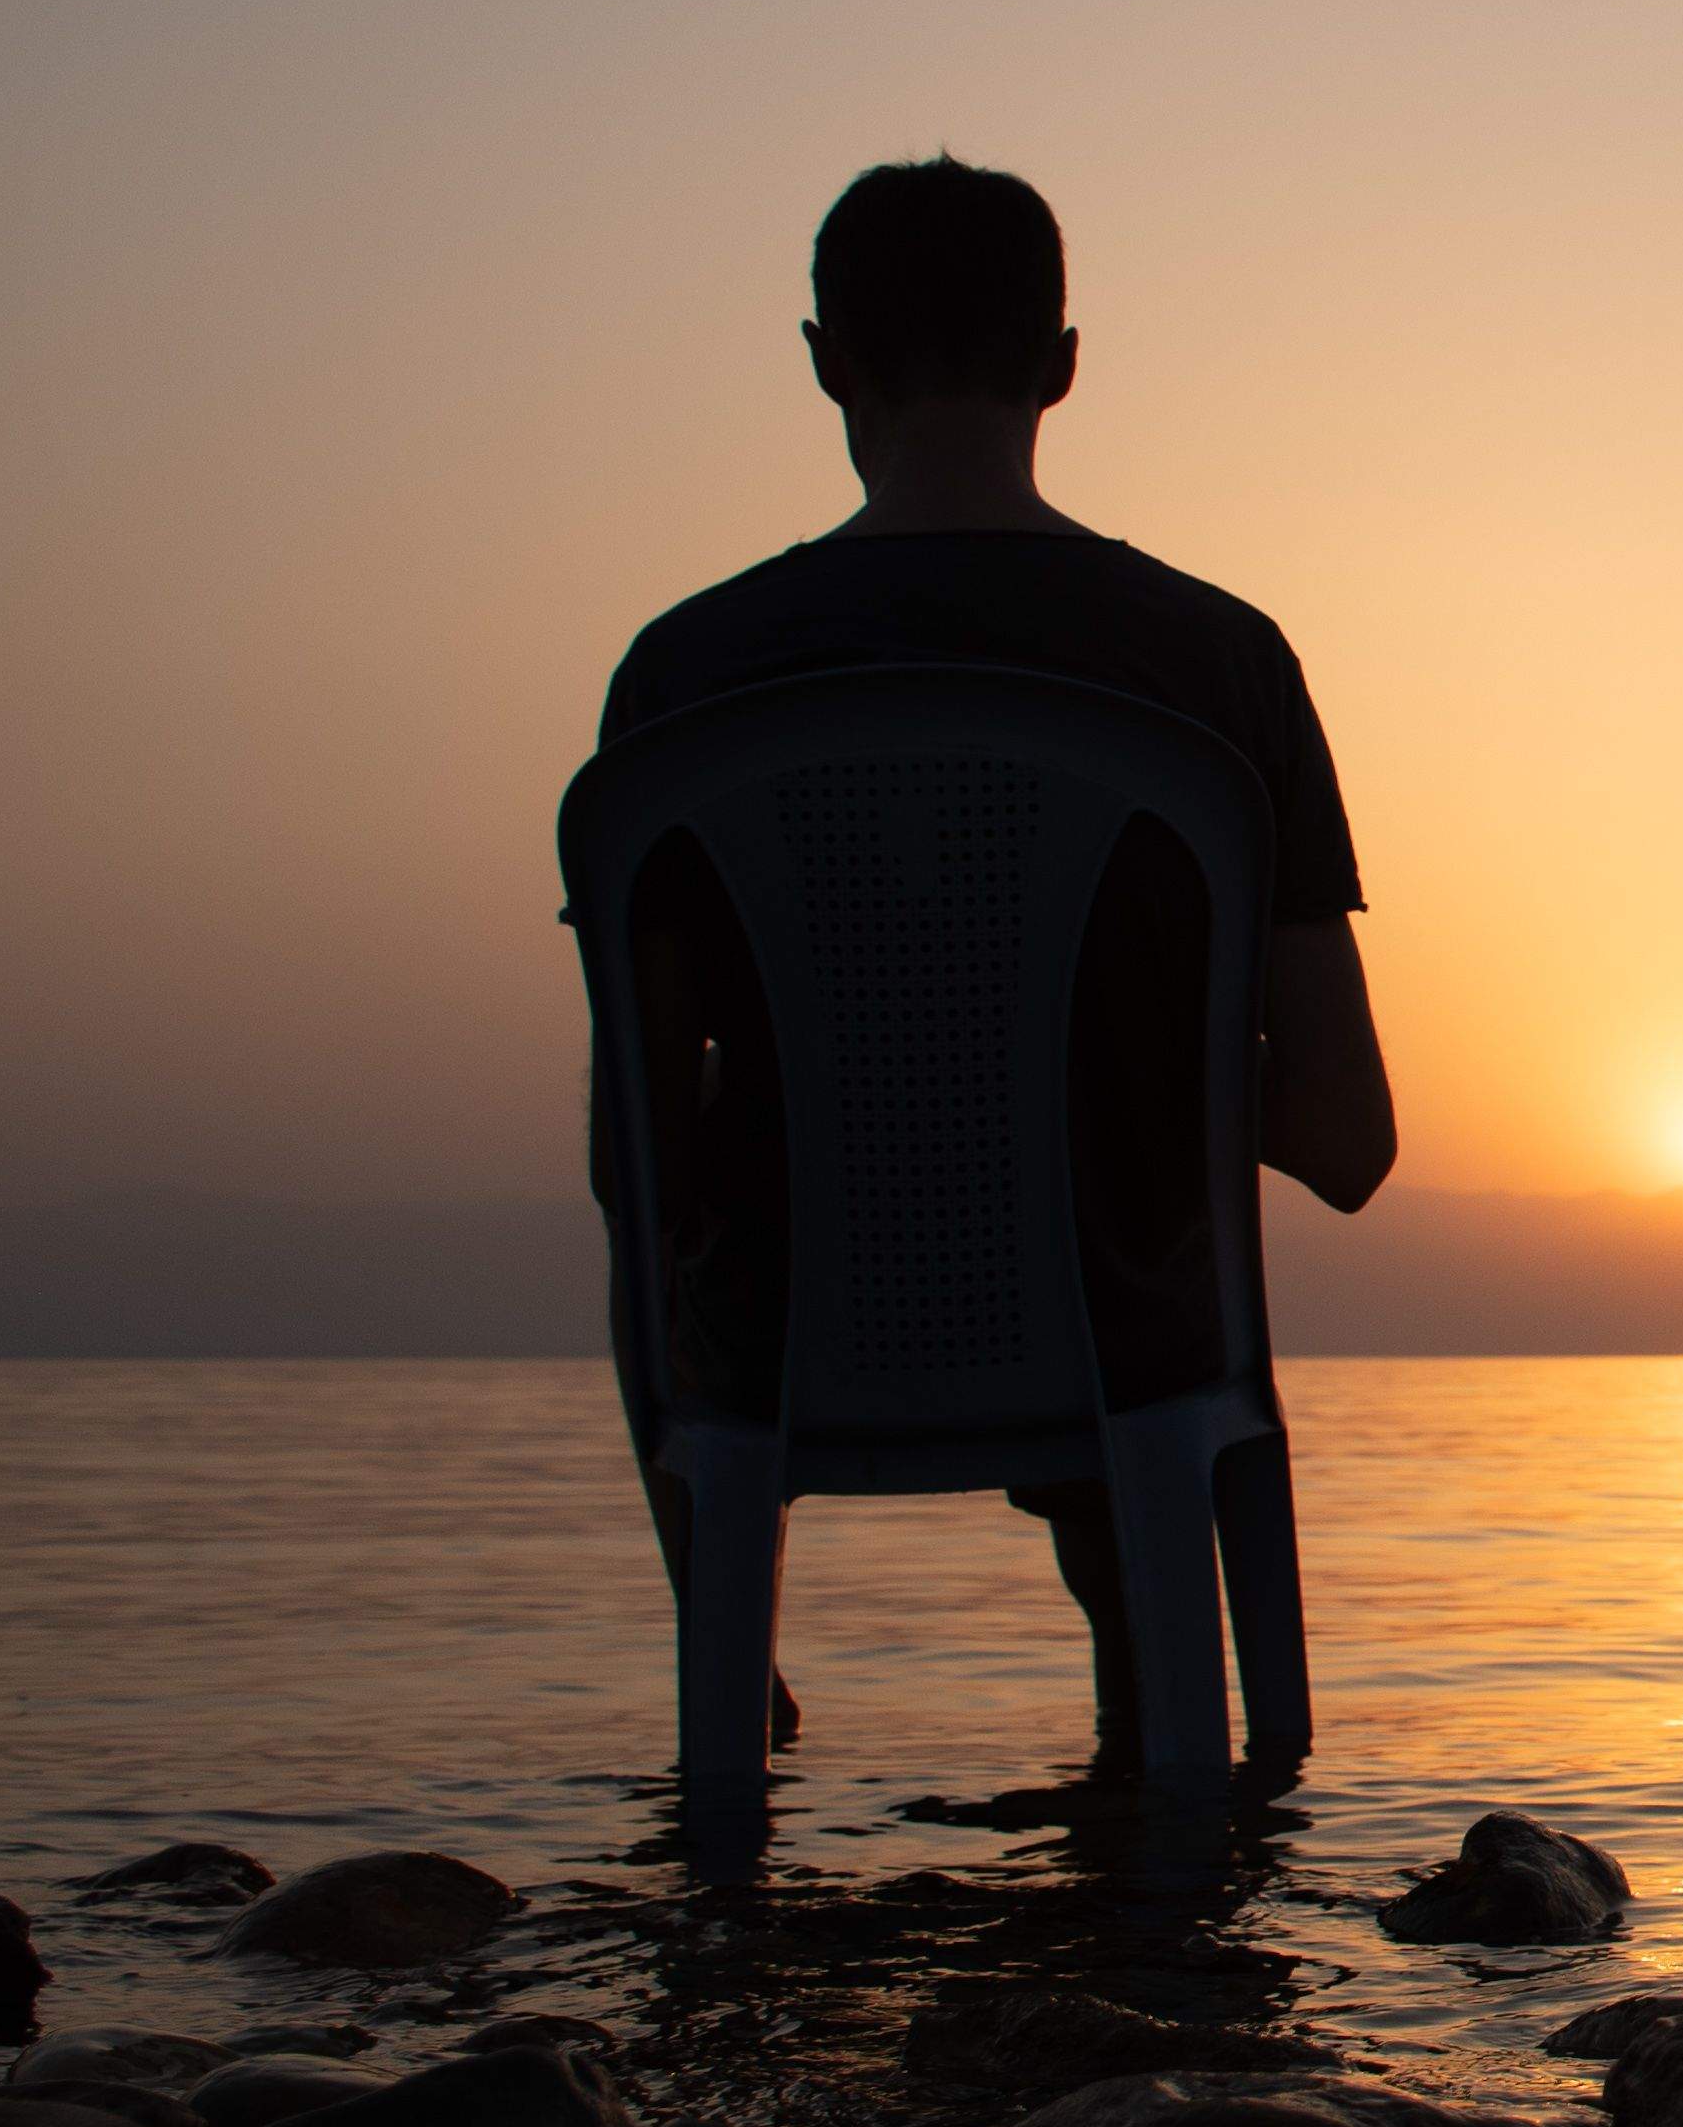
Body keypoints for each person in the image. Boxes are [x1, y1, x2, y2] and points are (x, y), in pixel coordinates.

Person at [589, 155, 1396, 1770]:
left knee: (672, 1223)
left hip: (787, 1327)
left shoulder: (684, 676)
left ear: (825, 359)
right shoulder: (1218, 664)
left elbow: (636, 1157)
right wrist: (1091, 1088)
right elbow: (1343, 1141)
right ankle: (1155, 1776)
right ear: (1064, 362)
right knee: (1122, 1219)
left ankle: (730, 1682)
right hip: (1128, 1333)